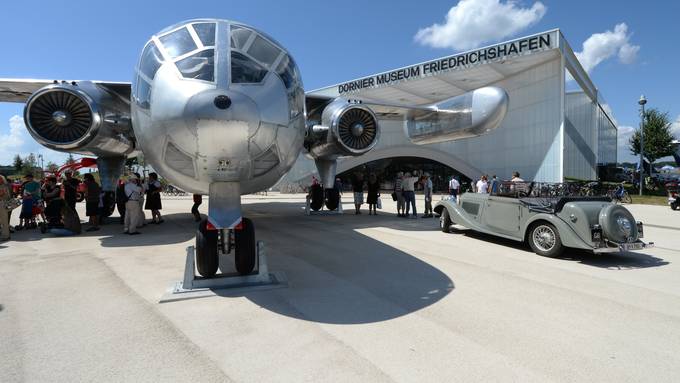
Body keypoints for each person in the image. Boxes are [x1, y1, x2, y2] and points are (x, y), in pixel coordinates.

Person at [0, 175, 11, 241]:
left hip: (2, 203)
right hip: (3, 203)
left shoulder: (3, 186)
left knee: (4, 221)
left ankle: (6, 236)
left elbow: (4, 195)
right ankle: (5, 235)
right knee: (3, 221)